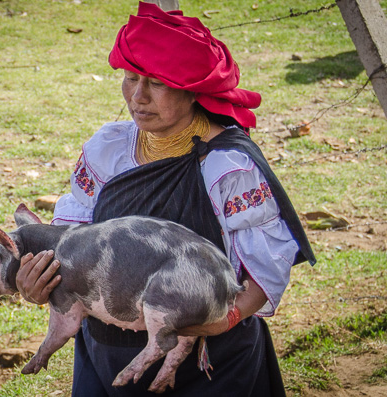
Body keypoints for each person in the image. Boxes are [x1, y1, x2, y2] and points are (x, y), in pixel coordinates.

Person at [16, 2, 315, 396]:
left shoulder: (228, 168)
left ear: (193, 90)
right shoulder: (109, 149)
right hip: (107, 358)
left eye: (156, 83)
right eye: (130, 77)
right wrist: (39, 280)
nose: (138, 96)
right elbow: (70, 237)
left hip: (210, 369)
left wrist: (222, 321)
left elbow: (264, 268)